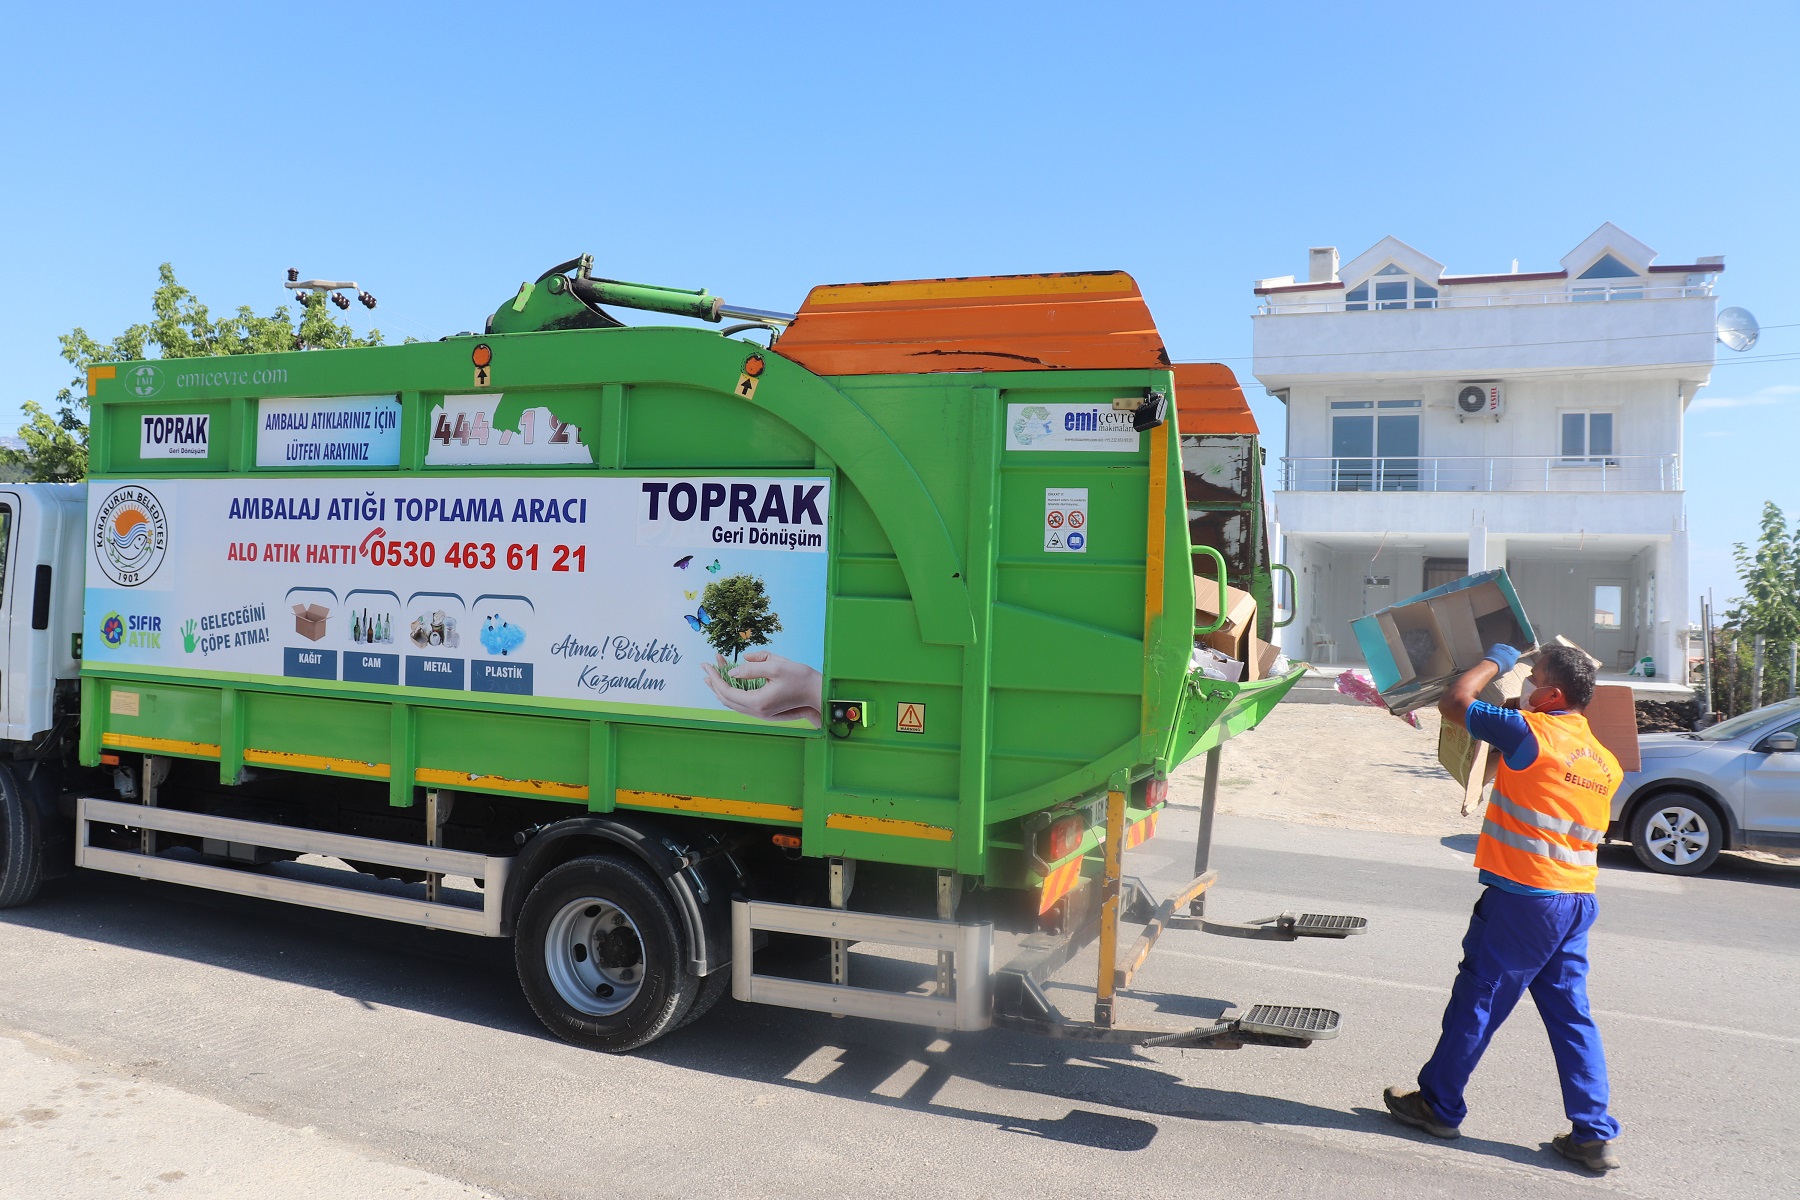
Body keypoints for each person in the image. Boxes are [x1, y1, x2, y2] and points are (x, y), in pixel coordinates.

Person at [1382, 643, 1624, 1173]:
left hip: (1526, 900)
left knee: (1480, 998)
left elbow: (1456, 701)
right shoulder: (1605, 762)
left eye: (1532, 679)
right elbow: (1511, 777)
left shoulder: (1532, 734)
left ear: (1553, 693)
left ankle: (1438, 1105)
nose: (1524, 687)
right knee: (1571, 1016)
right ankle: (1593, 1133)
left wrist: (1496, 659)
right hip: (1577, 899)